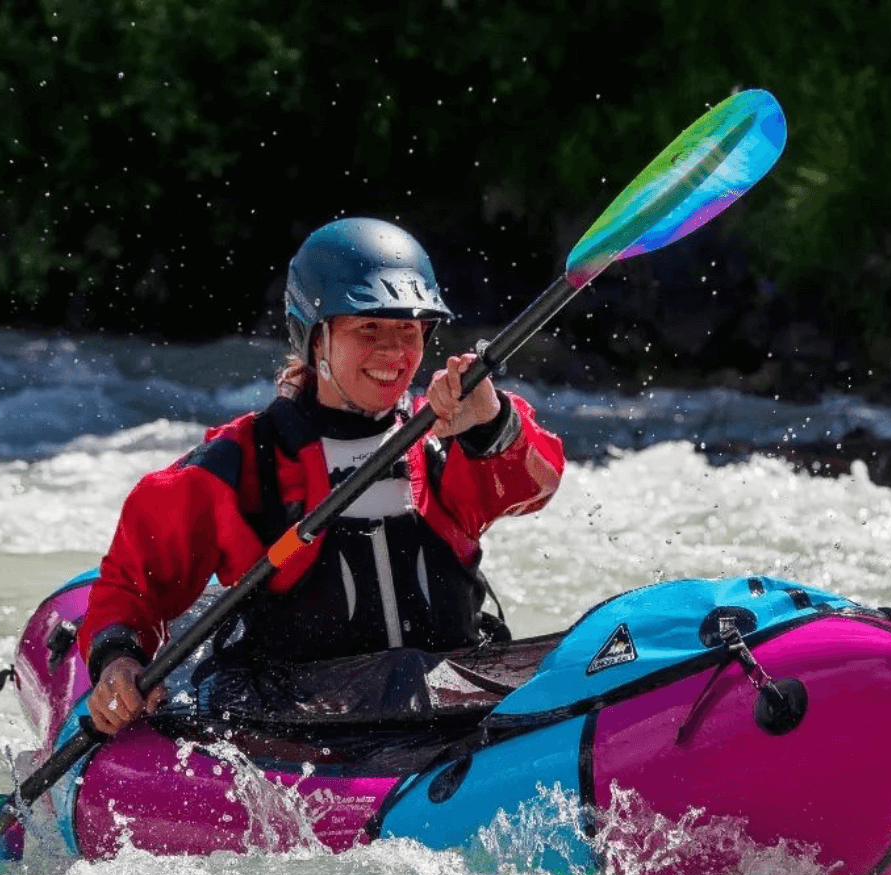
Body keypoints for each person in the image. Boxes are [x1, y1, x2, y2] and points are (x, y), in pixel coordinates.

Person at [78, 217, 566, 735]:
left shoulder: (446, 435)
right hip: (301, 738)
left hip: (450, 716)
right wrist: (117, 660)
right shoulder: (243, 464)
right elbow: (134, 583)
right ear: (315, 340)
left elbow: (535, 484)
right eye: (367, 328)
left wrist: (491, 425)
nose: (393, 353)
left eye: (408, 329)